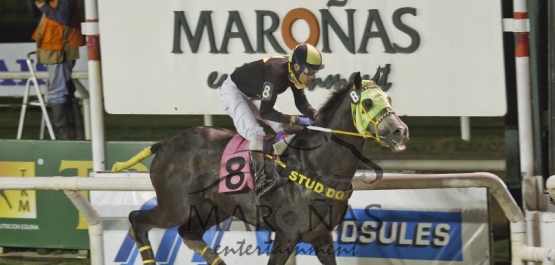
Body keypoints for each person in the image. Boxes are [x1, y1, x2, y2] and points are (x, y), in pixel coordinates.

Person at [220, 43, 324, 197]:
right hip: (233, 92)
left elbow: (301, 103)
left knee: (283, 127)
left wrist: (314, 114)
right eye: (310, 71)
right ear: (297, 67)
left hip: (253, 93)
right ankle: (260, 181)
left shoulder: (293, 72)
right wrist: (295, 119)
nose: (312, 77)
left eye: (315, 71)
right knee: (256, 134)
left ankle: (284, 168)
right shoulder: (275, 75)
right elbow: (266, 112)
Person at [27, 0, 85, 140]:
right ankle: (75, 134)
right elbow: (35, 13)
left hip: (60, 50)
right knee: (65, 91)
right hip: (55, 49)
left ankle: (63, 137)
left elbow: (62, 18)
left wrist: (43, 6)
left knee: (57, 93)